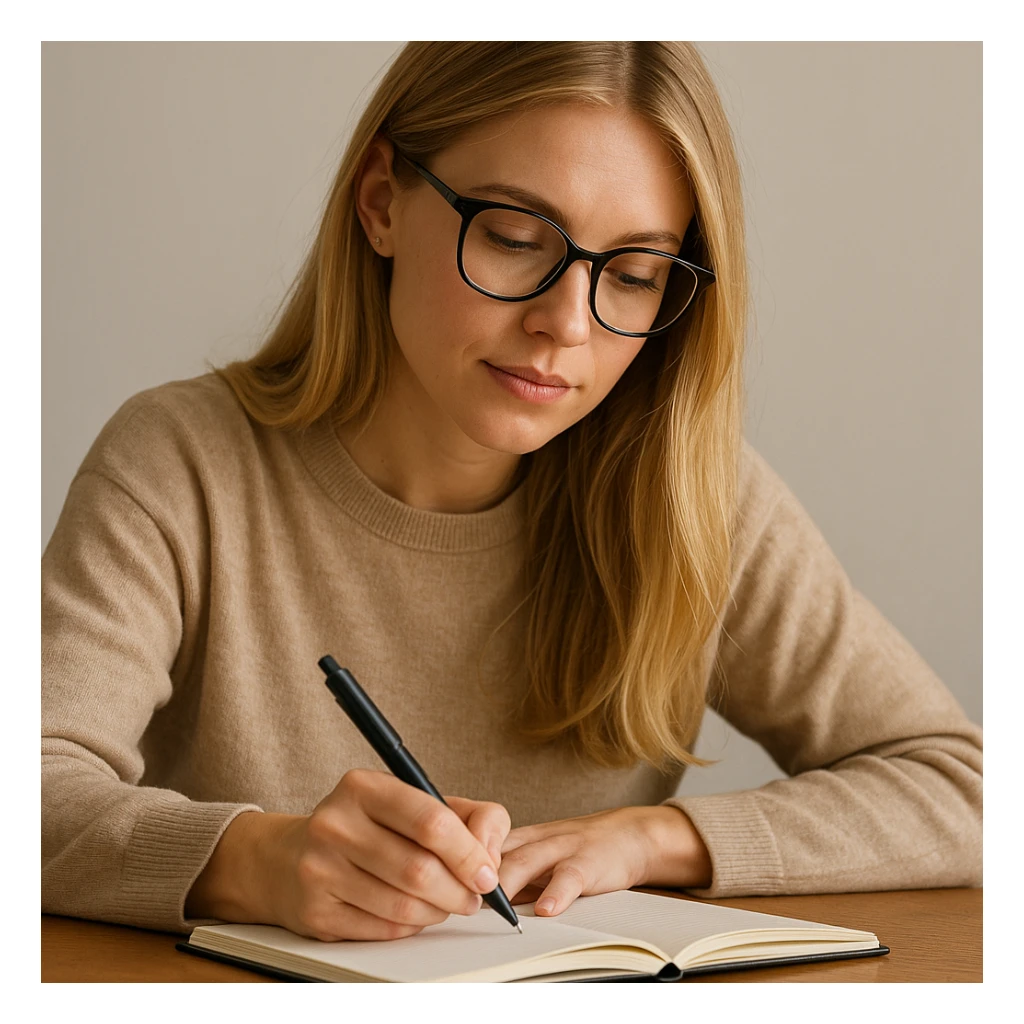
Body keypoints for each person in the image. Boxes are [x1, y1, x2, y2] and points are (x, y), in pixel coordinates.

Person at [41, 41, 982, 943]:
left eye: (636, 274)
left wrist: (654, 842)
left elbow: (963, 789)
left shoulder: (691, 494)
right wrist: (257, 861)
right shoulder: (182, 464)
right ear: (380, 202)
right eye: (516, 238)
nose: (565, 324)